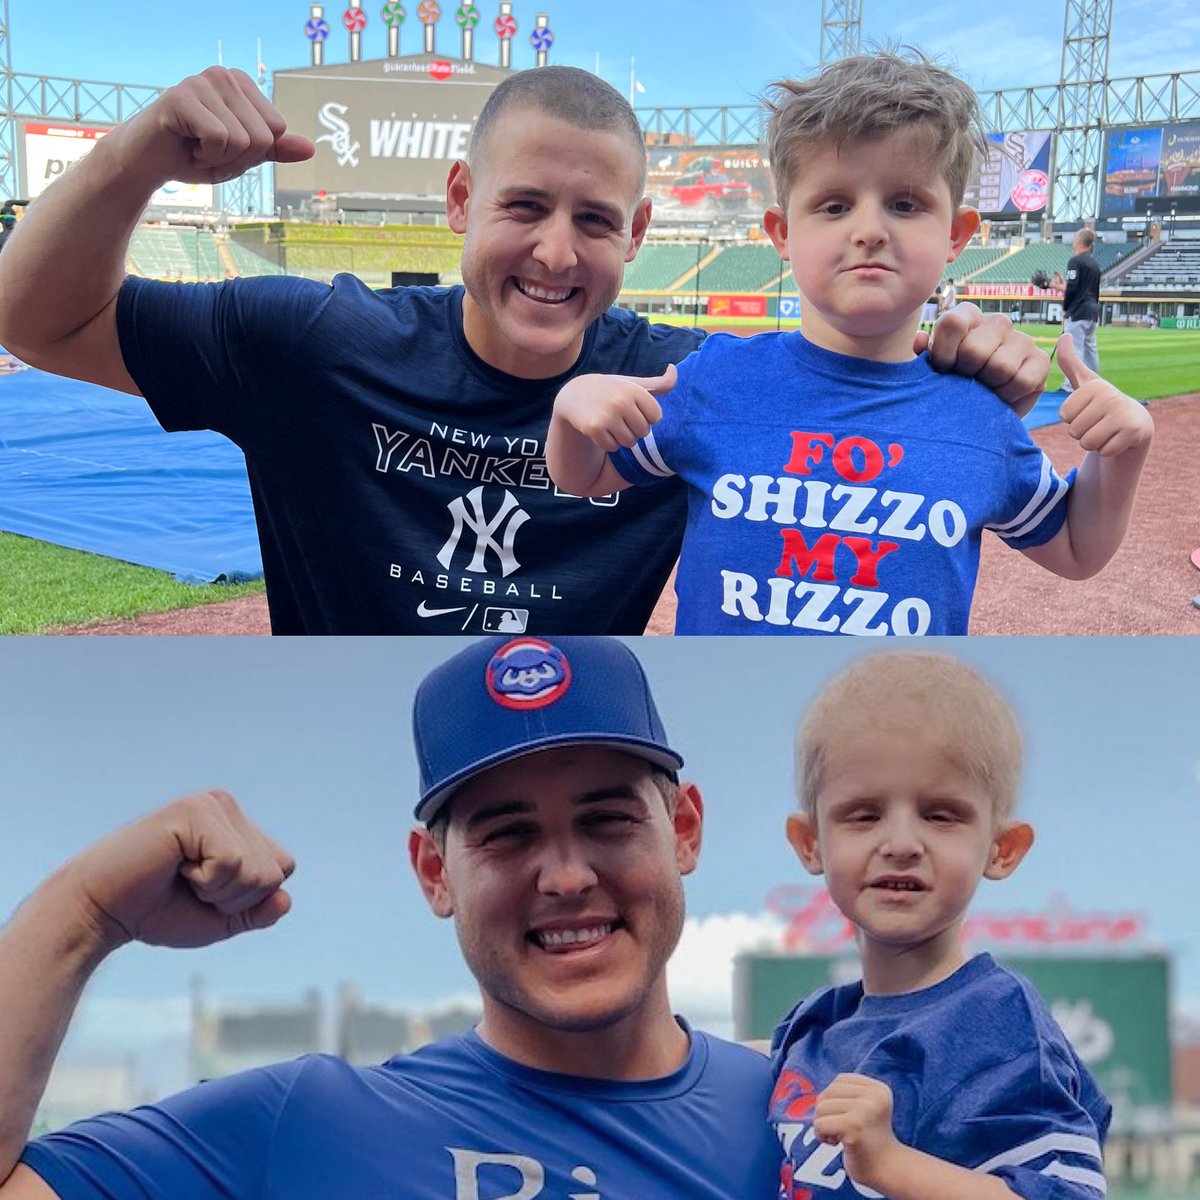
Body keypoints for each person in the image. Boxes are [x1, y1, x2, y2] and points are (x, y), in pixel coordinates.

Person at [0, 66, 1050, 635]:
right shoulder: (314, 344)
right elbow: (34, 318)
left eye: (595, 221)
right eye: (523, 206)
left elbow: (859, 378)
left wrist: (964, 356)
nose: (555, 252)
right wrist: (138, 154)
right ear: (461, 199)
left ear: (637, 237)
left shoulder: (693, 388)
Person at [0, 636, 782, 1200]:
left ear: (683, 830)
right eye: (508, 835)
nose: (568, 877)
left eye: (608, 820)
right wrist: (85, 913)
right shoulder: (310, 1125)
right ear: (435, 873)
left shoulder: (803, 1113)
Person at [546, 51, 1154, 636]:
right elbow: (586, 476)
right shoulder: (716, 379)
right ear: (783, 233)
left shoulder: (978, 415)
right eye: (834, 205)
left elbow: (1075, 548)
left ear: (957, 233)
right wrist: (571, 412)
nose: (869, 230)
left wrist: (1123, 453)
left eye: (905, 204)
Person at [773, 651, 1112, 1200]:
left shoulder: (999, 1019)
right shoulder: (812, 1024)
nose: (901, 843)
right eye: (864, 814)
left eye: (940, 814)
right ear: (810, 842)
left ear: (1001, 848)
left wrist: (890, 1163)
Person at [1062, 228, 1101, 391]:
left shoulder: (1075, 261)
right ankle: (1095, 383)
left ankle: (1071, 384)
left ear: (1078, 241)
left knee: (1074, 348)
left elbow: (1072, 287)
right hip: (1092, 311)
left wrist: (1066, 308)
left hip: (1078, 311)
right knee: (1090, 348)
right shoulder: (1094, 264)